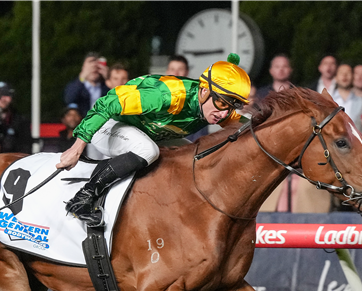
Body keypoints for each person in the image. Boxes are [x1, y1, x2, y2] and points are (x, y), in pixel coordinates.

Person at [57, 53, 251, 226]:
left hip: (144, 133)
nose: (224, 112)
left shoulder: (218, 109)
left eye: (230, 107)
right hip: (107, 125)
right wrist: (77, 147)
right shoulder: (167, 95)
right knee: (148, 150)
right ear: (204, 91)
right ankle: (83, 198)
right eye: (221, 103)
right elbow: (105, 104)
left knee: (193, 157)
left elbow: (249, 124)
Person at [64, 52, 109, 117]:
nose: (94, 67)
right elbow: (69, 99)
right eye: (90, 63)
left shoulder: (104, 86)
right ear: (83, 67)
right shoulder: (77, 85)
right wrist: (82, 77)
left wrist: (108, 79)